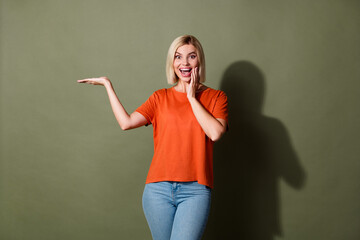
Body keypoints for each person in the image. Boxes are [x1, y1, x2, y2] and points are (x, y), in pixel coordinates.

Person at [77, 35, 228, 240]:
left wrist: (191, 97)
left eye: (191, 56)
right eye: (178, 57)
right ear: (172, 63)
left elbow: (215, 132)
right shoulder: (160, 98)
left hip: (195, 191)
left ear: (199, 60)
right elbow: (126, 123)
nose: (184, 62)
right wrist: (107, 86)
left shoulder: (216, 97)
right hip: (157, 191)